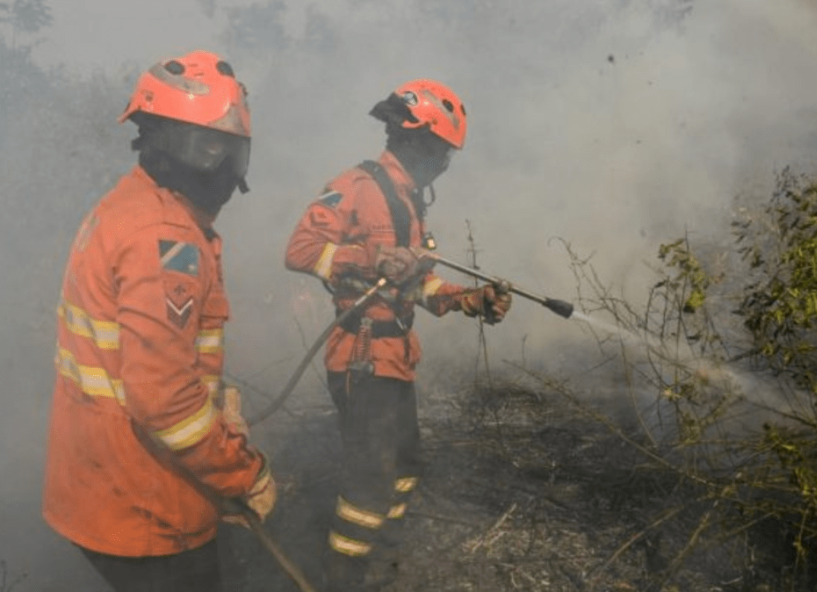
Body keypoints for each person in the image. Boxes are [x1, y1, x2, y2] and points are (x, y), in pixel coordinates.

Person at [42, 50, 276, 592]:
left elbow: (156, 362)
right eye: (202, 147)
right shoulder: (163, 239)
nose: (216, 167)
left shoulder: (128, 205)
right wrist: (244, 473)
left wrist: (216, 404)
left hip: (104, 483)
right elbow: (163, 398)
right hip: (147, 504)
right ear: (156, 141)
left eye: (225, 149)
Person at [284, 78, 513, 591]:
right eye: (442, 151)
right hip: (362, 356)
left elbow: (417, 283)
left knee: (405, 467)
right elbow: (299, 251)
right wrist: (367, 257)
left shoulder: (408, 204)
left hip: (394, 356)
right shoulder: (359, 187)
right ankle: (342, 579)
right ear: (415, 139)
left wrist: (470, 300)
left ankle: (382, 563)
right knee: (369, 484)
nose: (445, 163)